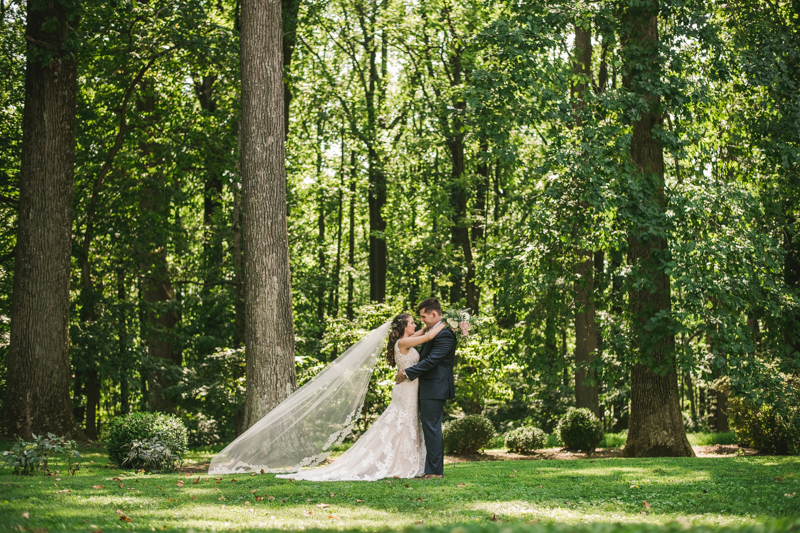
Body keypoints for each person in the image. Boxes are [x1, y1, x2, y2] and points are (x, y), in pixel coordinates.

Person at [275, 313, 446, 481]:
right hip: (406, 390)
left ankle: (403, 460)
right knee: (402, 423)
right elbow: (429, 336)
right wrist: (448, 321)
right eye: (412, 323)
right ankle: (399, 462)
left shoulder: (405, 340)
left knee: (405, 424)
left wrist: (429, 324)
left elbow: (424, 331)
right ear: (404, 326)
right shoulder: (404, 342)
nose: (416, 325)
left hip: (409, 388)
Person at [395, 297, 457, 479]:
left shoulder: (444, 334)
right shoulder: (435, 330)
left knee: (432, 427)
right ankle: (428, 467)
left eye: (423, 317)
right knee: (429, 427)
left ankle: (435, 471)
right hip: (428, 386)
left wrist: (407, 373)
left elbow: (432, 361)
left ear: (434, 314)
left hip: (435, 387)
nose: (421, 320)